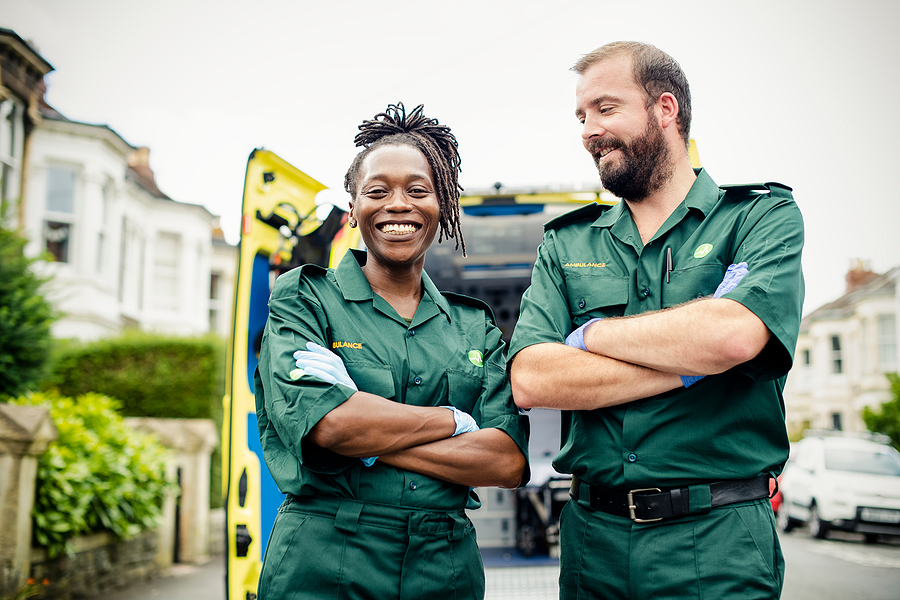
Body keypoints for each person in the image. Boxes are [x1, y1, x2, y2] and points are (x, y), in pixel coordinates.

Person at [508, 41, 804, 599]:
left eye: (605, 108)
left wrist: (591, 335)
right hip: (593, 544)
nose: (589, 130)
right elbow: (531, 378)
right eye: (581, 116)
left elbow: (732, 335)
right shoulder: (567, 242)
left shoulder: (759, 217)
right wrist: (693, 363)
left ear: (665, 108)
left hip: (719, 542)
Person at [254, 102, 529, 600]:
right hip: (325, 559)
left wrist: (364, 435)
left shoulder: (475, 326)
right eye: (377, 191)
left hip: (444, 567)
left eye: (418, 190)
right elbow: (331, 426)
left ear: (442, 205)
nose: (397, 205)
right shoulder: (305, 298)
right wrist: (455, 421)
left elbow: (505, 462)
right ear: (353, 208)